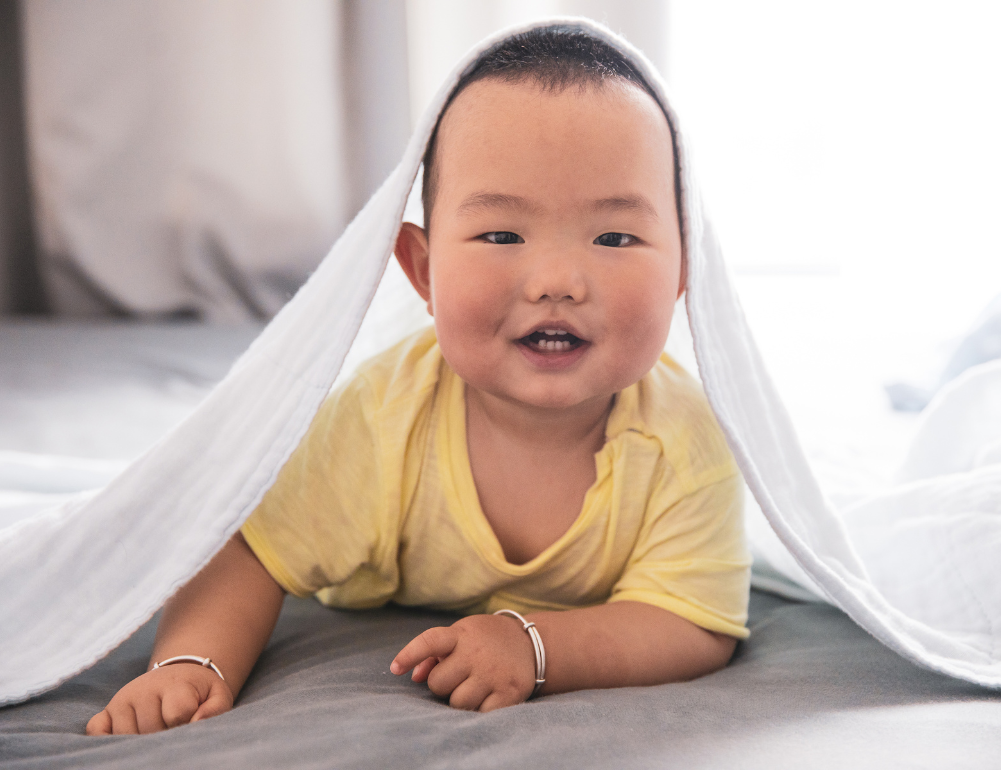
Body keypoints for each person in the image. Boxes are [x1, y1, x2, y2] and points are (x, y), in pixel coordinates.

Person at [86, 25, 750, 735]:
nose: (558, 282)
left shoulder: (688, 437)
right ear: (422, 269)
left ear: (685, 269)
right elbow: (251, 547)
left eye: (614, 237)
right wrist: (192, 663)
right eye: (501, 235)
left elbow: (692, 623)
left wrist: (536, 647)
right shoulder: (381, 420)